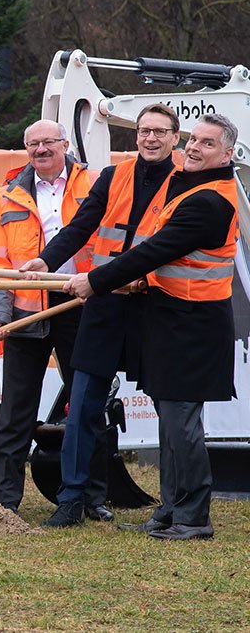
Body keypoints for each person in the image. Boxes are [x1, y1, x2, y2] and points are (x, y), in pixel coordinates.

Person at [62, 114, 237, 540]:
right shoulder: (192, 186)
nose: (195, 147)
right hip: (172, 320)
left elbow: (154, 249)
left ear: (228, 154)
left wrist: (95, 280)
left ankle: (193, 518)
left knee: (181, 425)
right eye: (194, 139)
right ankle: (171, 508)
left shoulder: (210, 200)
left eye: (207, 143)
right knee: (169, 422)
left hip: (193, 326)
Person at [24, 104, 182, 527]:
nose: (150, 138)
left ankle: (172, 502)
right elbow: (78, 227)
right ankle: (72, 498)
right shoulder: (113, 177)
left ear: (174, 138)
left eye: (159, 132)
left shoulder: (185, 183)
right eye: (144, 131)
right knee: (83, 405)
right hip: (106, 304)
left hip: (154, 306)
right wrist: (46, 260)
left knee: (170, 406)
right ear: (136, 136)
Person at [0, 120, 94, 515]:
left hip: (79, 307)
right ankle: (5, 500)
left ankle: (91, 496)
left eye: (48, 142)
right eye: (33, 143)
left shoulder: (91, 183)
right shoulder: (8, 195)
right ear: (25, 149)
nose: (41, 149)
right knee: (15, 410)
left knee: (85, 404)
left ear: (65, 144)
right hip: (27, 313)